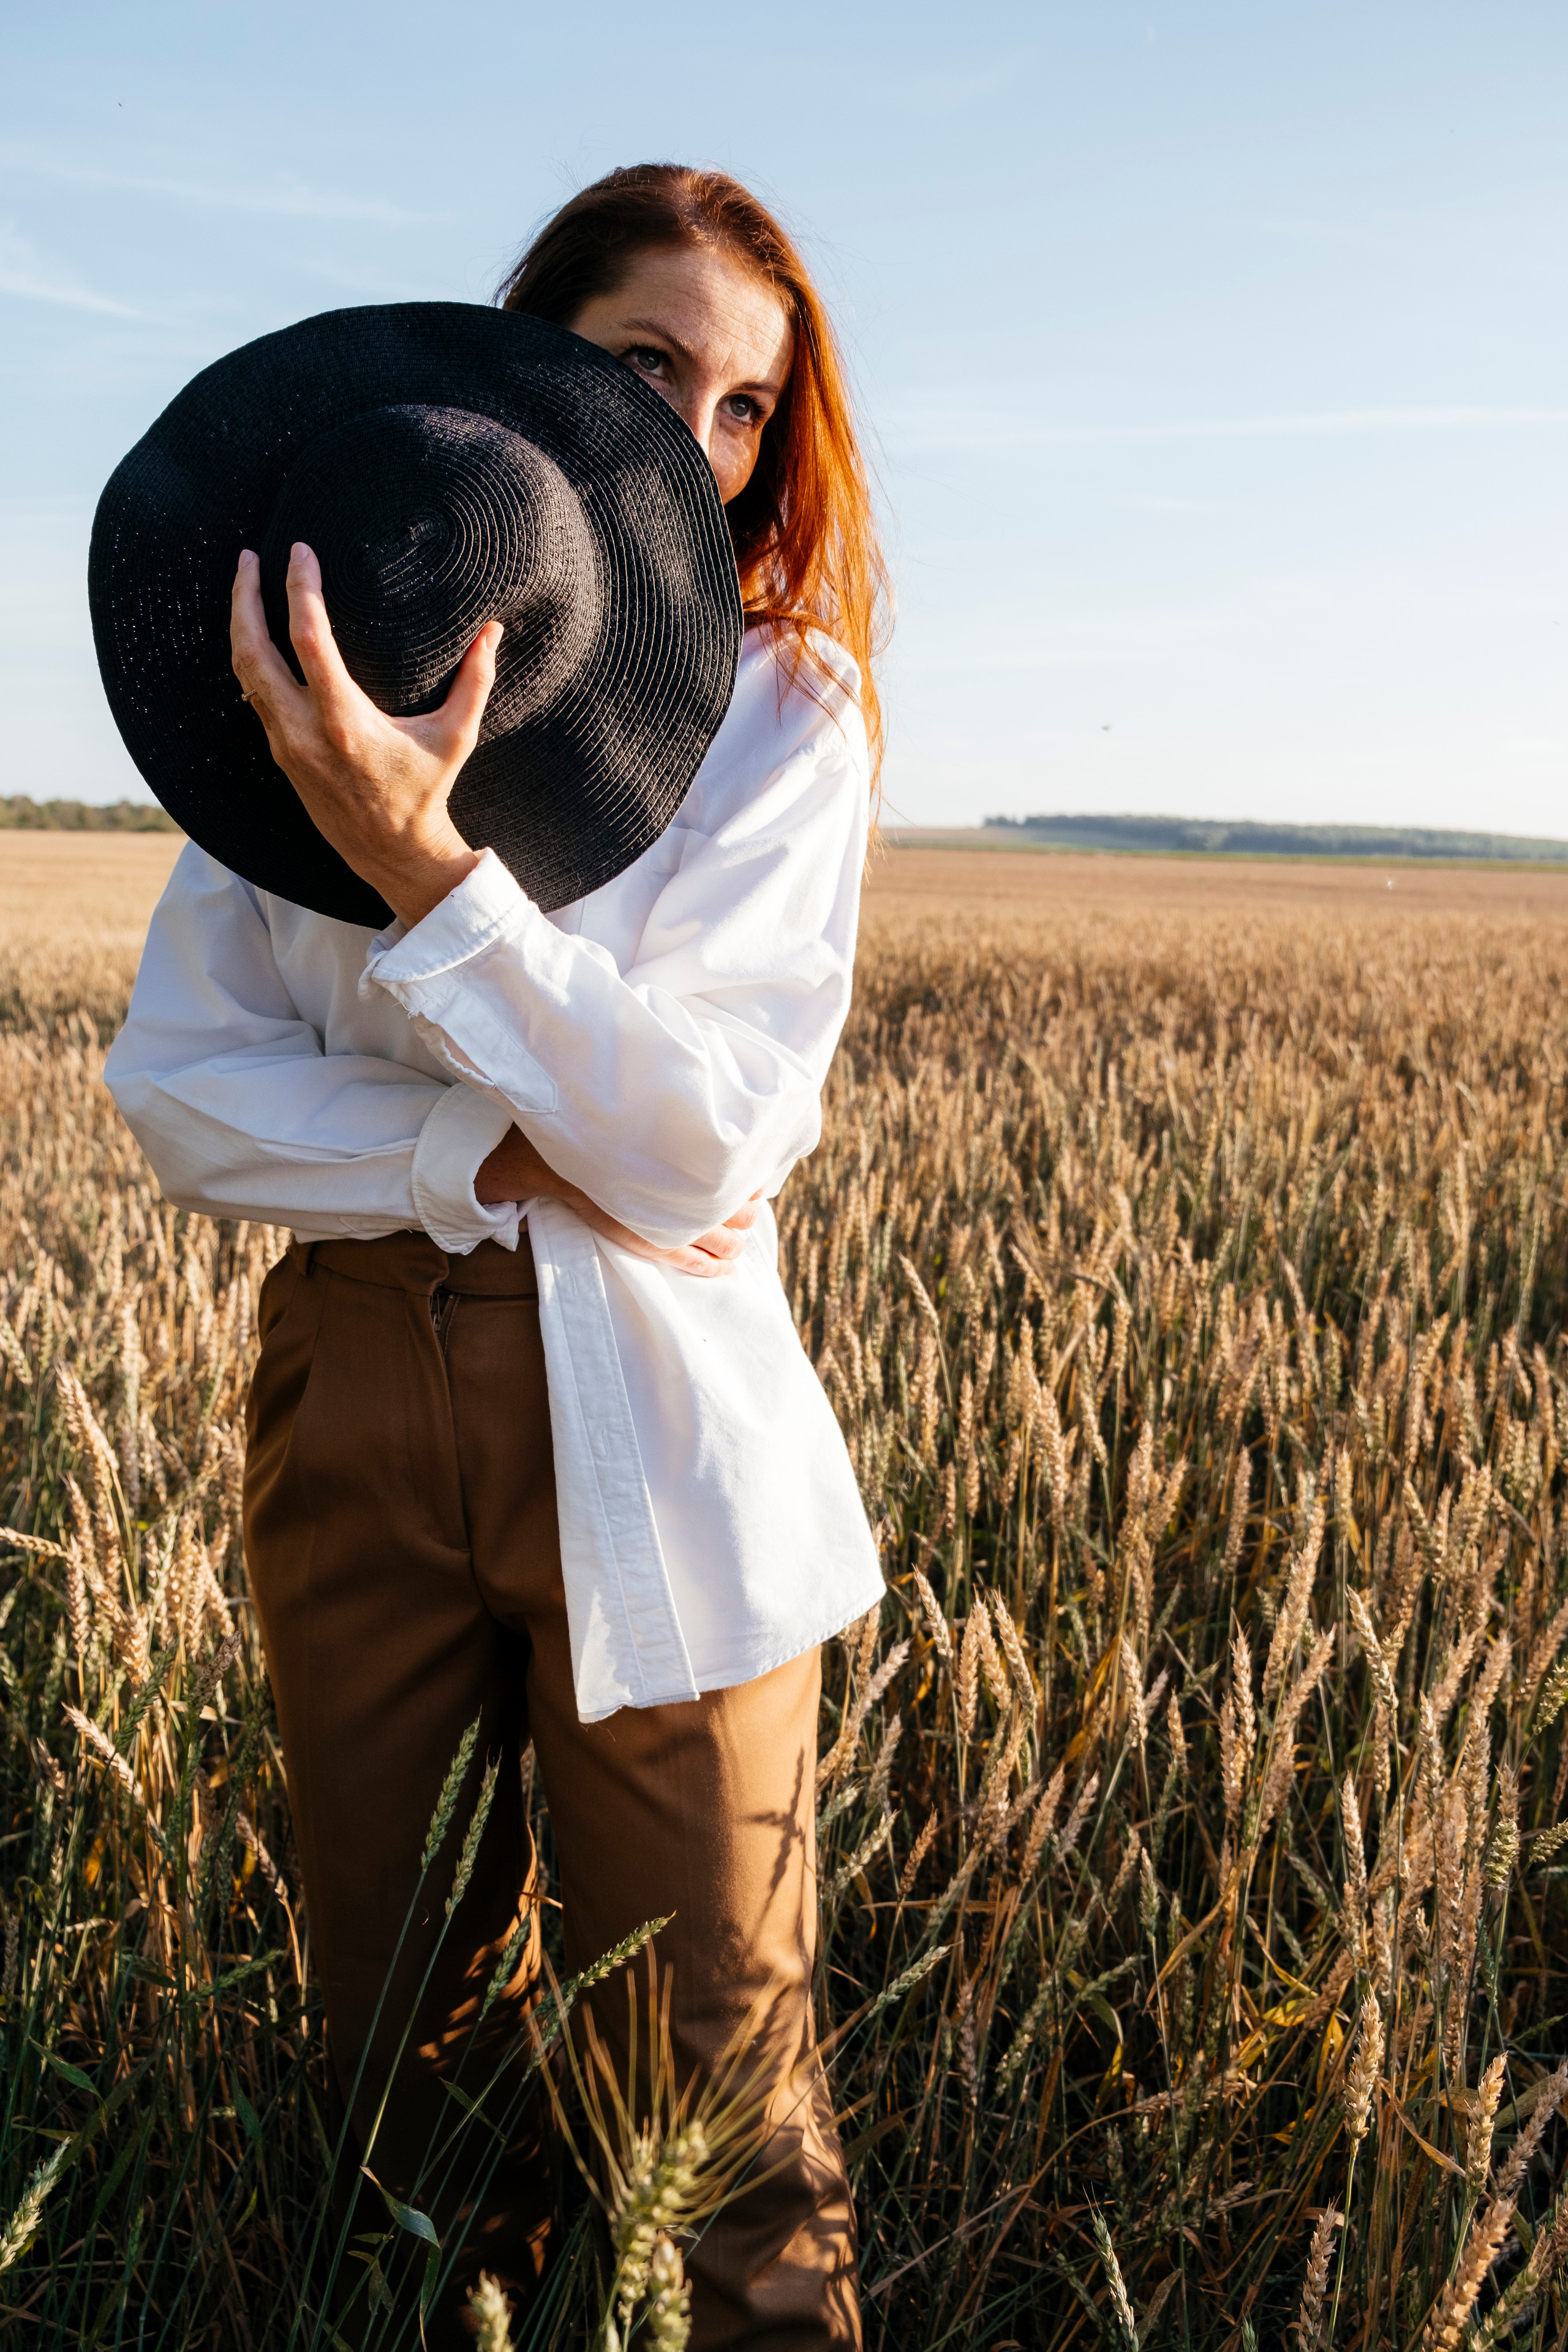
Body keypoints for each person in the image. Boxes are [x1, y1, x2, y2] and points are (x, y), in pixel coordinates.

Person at [104, 164, 890, 2348]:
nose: (707, 439)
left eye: (751, 405)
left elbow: (709, 1131)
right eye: (654, 365)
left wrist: (424, 869)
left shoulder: (777, 716)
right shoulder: (291, 669)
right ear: (532, 350)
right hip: (357, 1385)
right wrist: (495, 1156)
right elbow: (183, 1088)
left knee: (722, 2113)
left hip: (660, 1409)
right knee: (396, 2064)